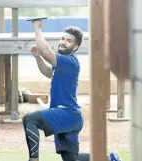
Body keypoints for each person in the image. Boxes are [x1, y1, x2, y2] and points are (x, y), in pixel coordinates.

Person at [22, 20, 122, 161]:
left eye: (68, 41)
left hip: (67, 114)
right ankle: (110, 159)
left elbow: (47, 53)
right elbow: (48, 71)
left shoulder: (70, 62)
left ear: (75, 47)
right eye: (62, 38)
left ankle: (34, 160)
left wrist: (37, 28)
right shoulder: (63, 64)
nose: (63, 42)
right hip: (70, 117)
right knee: (71, 159)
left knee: (29, 119)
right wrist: (37, 57)